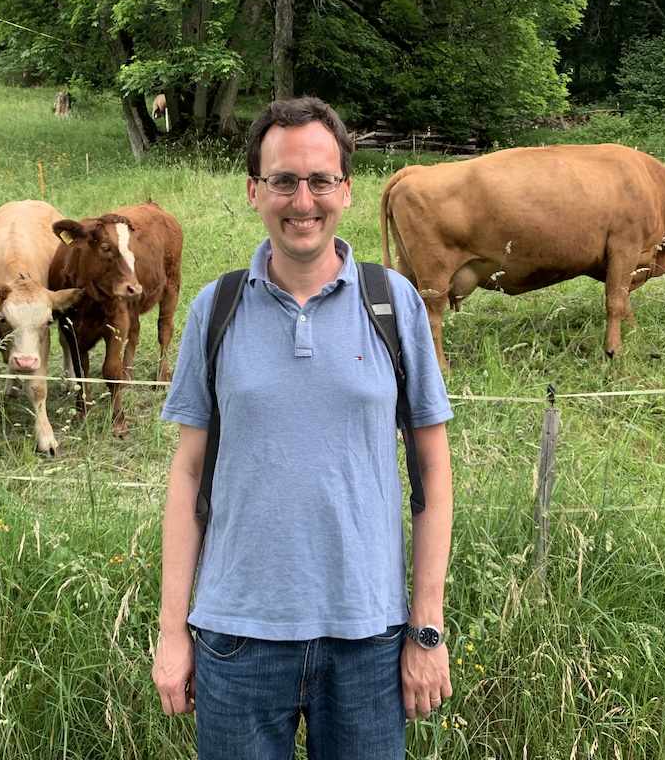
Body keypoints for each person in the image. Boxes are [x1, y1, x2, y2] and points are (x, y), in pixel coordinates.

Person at [152, 96, 454, 760]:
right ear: (254, 191)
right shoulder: (216, 307)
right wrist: (173, 630)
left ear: (346, 190)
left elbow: (433, 471)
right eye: (283, 180)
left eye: (320, 180)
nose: (302, 199)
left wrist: (426, 628)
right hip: (237, 637)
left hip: (368, 638)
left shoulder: (392, 303)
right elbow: (188, 475)